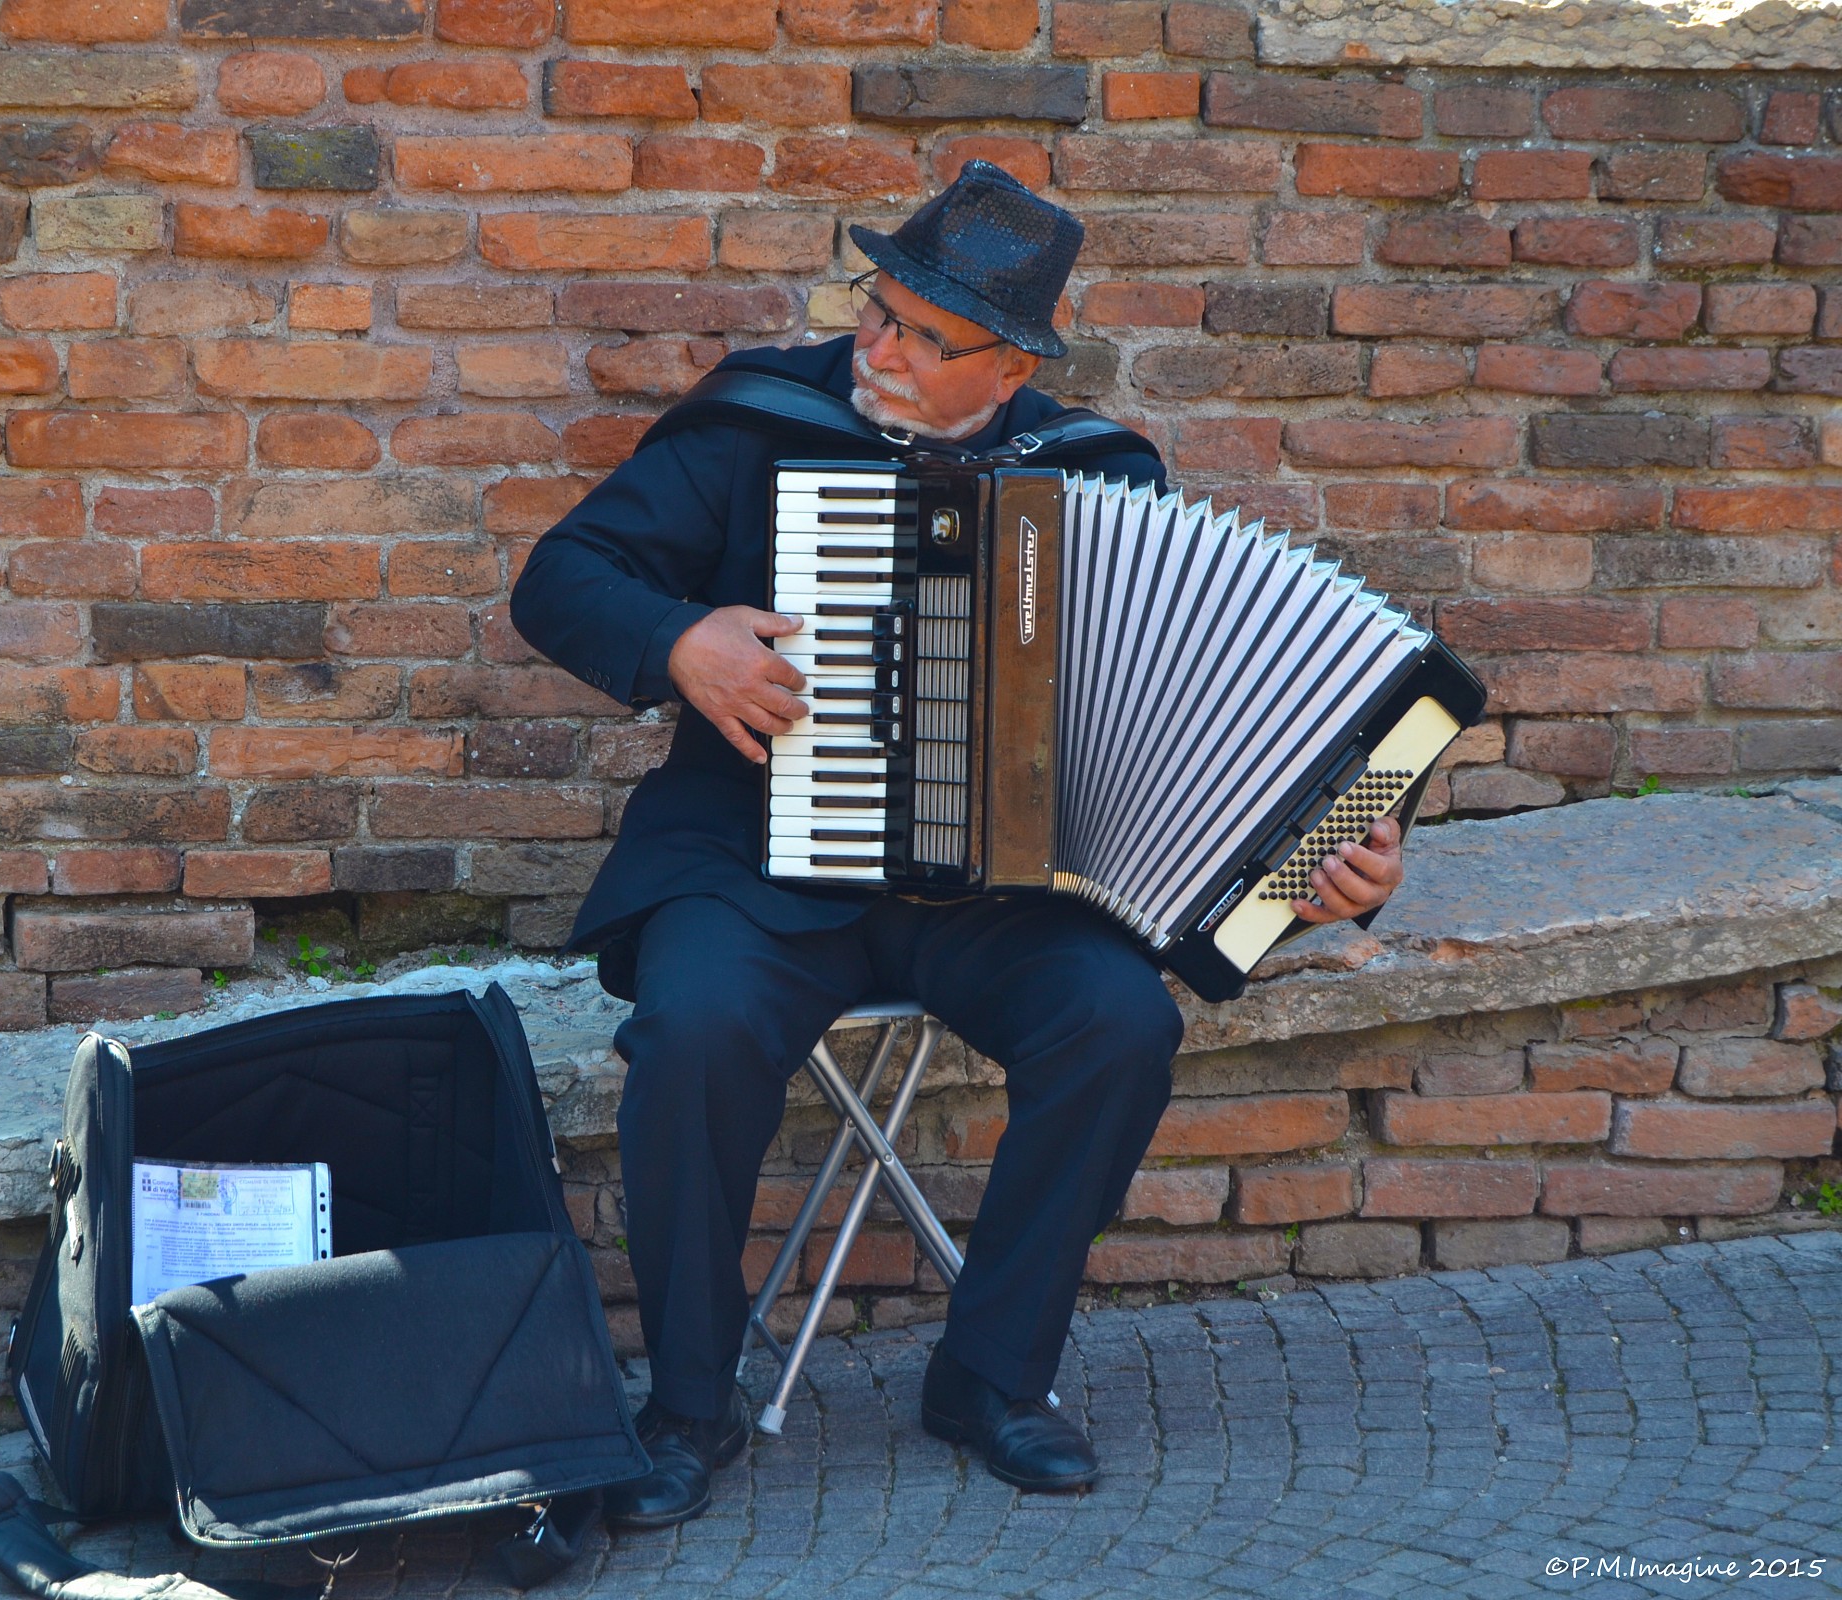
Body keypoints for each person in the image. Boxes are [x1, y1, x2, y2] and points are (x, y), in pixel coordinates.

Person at [508, 162, 1408, 1528]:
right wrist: (677, 640)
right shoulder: (761, 421)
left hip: (1003, 895)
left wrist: (1327, 861)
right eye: (879, 311)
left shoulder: (1098, 475)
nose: (880, 348)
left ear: (1010, 365)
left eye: (927, 337)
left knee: (1117, 1026)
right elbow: (562, 579)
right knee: (691, 1029)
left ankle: (990, 1381)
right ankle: (689, 1402)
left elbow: (1204, 714)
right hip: (758, 866)